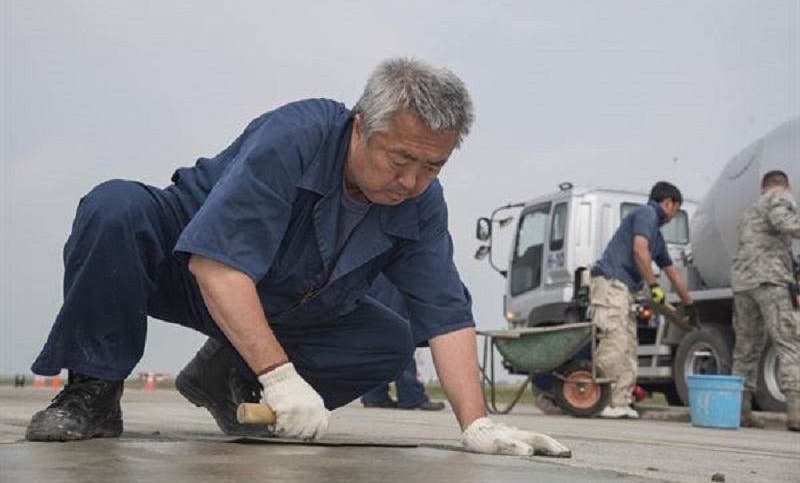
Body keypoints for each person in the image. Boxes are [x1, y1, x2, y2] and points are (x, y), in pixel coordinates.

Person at [25, 58, 570, 458]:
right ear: (361, 128)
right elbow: (216, 265)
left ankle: (227, 377)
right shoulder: (298, 135)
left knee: (388, 338)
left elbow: (445, 311)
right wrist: (282, 376)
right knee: (115, 206)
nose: (411, 182)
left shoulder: (420, 203)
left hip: (282, 299)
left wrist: (477, 424)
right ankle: (91, 392)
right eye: (400, 159)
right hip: (187, 266)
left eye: (432, 167)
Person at [590, 181, 694, 419]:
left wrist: (689, 304)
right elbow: (639, 250)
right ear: (668, 203)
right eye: (676, 210)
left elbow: (672, 271)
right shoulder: (646, 213)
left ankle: (620, 401)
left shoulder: (656, 236)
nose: (673, 216)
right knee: (614, 342)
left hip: (625, 290)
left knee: (628, 346)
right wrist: (654, 286)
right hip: (611, 283)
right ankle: (603, 400)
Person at [730, 170, 800, 432]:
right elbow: (784, 223)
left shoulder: (748, 211)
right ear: (783, 186)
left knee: (746, 348)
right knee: (789, 343)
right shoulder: (779, 196)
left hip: (743, 284)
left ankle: (740, 412)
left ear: (762, 188)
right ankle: (796, 413)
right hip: (769, 280)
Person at [359, 276, 445, 411]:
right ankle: (410, 396)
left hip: (374, 270)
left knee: (378, 328)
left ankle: (375, 394)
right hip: (391, 271)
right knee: (398, 330)